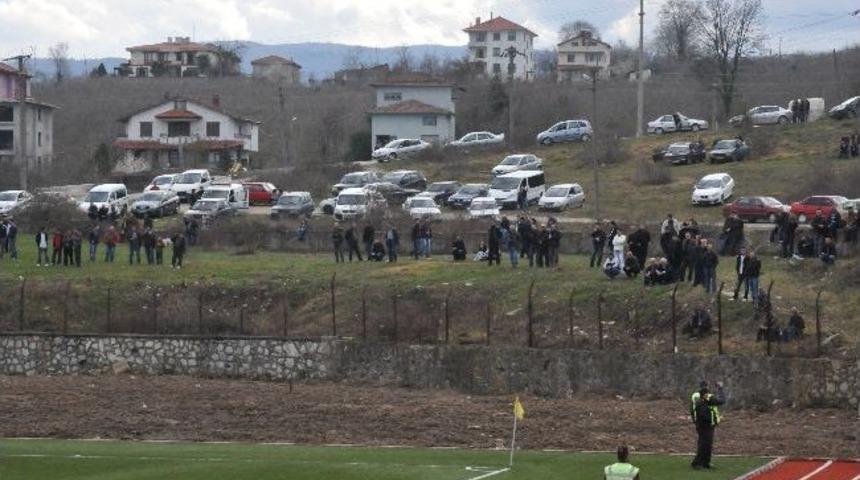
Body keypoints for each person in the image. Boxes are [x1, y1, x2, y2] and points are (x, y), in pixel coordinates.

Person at [690, 381, 725, 470]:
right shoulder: (704, 401)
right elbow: (721, 401)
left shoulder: (697, 398)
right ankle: (698, 463)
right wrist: (720, 389)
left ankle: (704, 463)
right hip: (705, 426)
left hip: (701, 425)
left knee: (706, 445)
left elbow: (693, 411)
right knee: (704, 445)